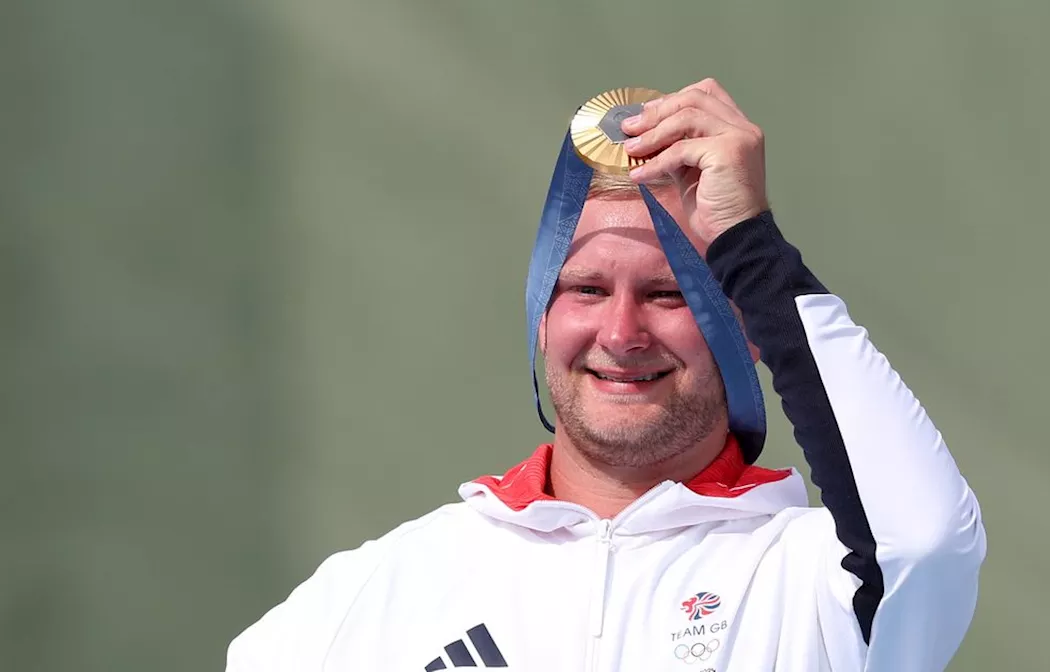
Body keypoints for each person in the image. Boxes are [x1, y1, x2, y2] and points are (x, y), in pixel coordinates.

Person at [225, 78, 987, 671]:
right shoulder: (365, 600)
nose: (622, 335)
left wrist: (750, 246)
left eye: (668, 295)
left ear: (748, 329)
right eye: (587, 290)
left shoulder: (812, 581)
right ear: (542, 320)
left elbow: (921, 541)